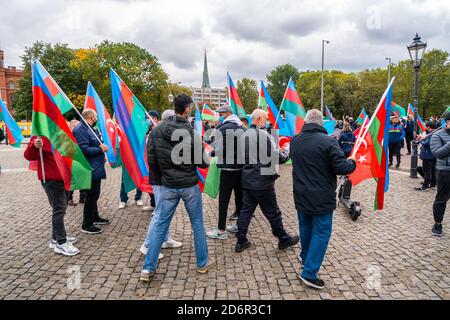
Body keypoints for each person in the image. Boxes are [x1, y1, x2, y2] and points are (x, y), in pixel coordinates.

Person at [140, 94, 214, 283]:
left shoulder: (157, 131)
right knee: (197, 223)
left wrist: (163, 177)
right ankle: (202, 263)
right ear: (187, 108)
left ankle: (148, 269)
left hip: (167, 185)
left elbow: (151, 160)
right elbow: (204, 164)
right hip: (189, 185)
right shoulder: (191, 132)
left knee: (160, 224)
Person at [290, 109, 356, 290]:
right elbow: (342, 167)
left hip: (301, 194)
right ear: (321, 123)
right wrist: (353, 161)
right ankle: (309, 273)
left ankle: (305, 259)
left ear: (306, 122)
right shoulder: (328, 142)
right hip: (321, 197)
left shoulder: (295, 140)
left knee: (305, 228)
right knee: (321, 232)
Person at [235, 109, 299, 254]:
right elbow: (279, 158)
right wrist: (287, 150)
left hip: (248, 179)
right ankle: (283, 238)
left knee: (245, 211)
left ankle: (240, 241)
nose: (267, 121)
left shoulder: (244, 135)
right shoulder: (262, 136)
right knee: (273, 213)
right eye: (265, 118)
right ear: (258, 119)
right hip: (263, 181)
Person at [24, 136, 80, 256]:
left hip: (62, 178)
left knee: (61, 207)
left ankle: (56, 238)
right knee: (59, 209)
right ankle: (61, 243)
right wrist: (34, 145)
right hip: (51, 179)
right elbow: (29, 156)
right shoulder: (39, 136)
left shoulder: (57, 133)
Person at [140, 109, 183, 260]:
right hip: (160, 179)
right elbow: (152, 159)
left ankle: (165, 239)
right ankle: (147, 245)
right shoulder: (156, 133)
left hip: (165, 179)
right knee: (159, 213)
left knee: (165, 212)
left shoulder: (166, 133)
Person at [207, 105, 245, 240]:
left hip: (228, 168)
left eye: (221, 114)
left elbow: (218, 149)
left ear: (227, 114)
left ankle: (221, 230)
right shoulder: (242, 127)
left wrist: (209, 152)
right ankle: (239, 226)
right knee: (240, 198)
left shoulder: (222, 129)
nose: (220, 116)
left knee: (224, 200)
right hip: (241, 168)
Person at [73, 109, 109, 235]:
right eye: (96, 116)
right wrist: (100, 149)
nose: (97, 118)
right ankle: (87, 224)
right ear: (91, 116)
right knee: (91, 195)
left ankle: (95, 216)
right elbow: (83, 150)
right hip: (88, 168)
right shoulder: (81, 129)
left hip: (95, 166)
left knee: (94, 194)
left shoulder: (89, 128)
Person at [430, 112, 450, 237]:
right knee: (441, 200)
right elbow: (437, 153)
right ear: (448, 122)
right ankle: (437, 224)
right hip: (445, 172)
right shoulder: (437, 135)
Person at [66, 119, 86, 206]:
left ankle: (83, 197)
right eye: (75, 126)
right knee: (72, 181)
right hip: (72, 161)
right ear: (71, 127)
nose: (77, 128)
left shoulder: (81, 135)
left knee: (82, 179)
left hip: (81, 160)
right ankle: (69, 198)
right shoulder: (67, 136)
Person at [416, 121, 437, 191]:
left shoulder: (431, 134)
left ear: (428, 127)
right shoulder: (435, 133)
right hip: (434, 155)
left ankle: (425, 185)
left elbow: (426, 144)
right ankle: (432, 183)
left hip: (427, 155)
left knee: (427, 171)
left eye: (426, 127)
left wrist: (420, 139)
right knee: (432, 170)